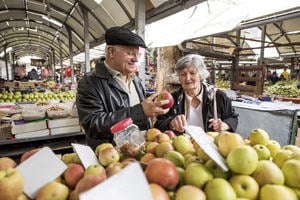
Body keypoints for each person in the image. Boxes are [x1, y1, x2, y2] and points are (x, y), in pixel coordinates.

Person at [76, 26, 170, 150]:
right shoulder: (90, 82)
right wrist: (140, 111)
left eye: (137, 54)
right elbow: (94, 125)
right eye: (130, 53)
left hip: (139, 151)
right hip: (112, 157)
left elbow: (143, 116)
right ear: (111, 52)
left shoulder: (135, 80)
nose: (136, 59)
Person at [154, 54, 239, 134]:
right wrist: (171, 123)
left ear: (201, 75)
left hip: (210, 146)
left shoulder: (218, 96)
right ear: (179, 78)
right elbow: (158, 125)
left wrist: (225, 125)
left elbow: (233, 118)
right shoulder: (173, 99)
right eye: (183, 74)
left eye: (192, 73)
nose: (187, 78)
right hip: (181, 147)